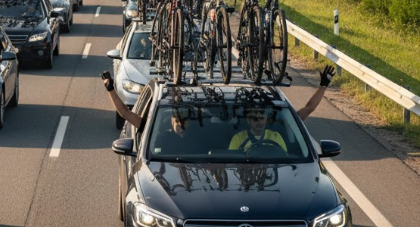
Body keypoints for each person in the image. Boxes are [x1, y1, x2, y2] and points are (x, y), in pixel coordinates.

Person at [101, 65, 336, 130]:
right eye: (179, 119)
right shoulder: (154, 129)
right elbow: (125, 114)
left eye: (257, 116)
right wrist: (111, 89)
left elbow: (307, 110)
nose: (256, 120)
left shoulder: (274, 130)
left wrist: (323, 85)